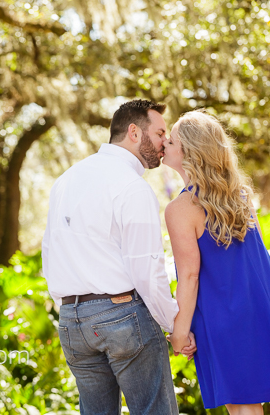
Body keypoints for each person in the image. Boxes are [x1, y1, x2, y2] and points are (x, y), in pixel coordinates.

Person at [42, 99, 195, 415]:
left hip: (72, 322)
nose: (165, 142)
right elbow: (147, 270)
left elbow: (49, 252)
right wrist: (175, 326)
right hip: (121, 315)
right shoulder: (131, 186)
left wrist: (73, 312)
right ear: (135, 132)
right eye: (160, 133)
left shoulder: (67, 179)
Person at [162, 110, 270, 414]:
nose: (165, 143)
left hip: (227, 316)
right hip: (269, 306)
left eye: (171, 139)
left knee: (244, 407)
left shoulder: (180, 209)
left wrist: (179, 332)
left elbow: (190, 276)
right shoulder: (241, 195)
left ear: (189, 151)